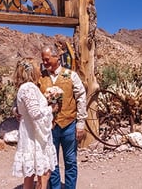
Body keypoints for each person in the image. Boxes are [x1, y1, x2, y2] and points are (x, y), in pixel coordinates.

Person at [39, 44, 87, 189]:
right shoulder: (41, 78)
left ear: (56, 57)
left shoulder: (71, 75)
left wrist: (80, 123)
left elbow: (81, 97)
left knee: (70, 161)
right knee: (51, 161)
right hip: (49, 127)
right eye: (43, 60)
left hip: (69, 125)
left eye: (47, 59)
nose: (45, 63)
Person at [12, 57, 58, 189]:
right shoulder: (29, 88)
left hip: (30, 133)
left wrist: (16, 110)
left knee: (30, 173)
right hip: (35, 136)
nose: (40, 69)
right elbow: (35, 113)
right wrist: (51, 109)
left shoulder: (24, 88)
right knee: (44, 172)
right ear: (32, 71)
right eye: (37, 67)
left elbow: (23, 108)